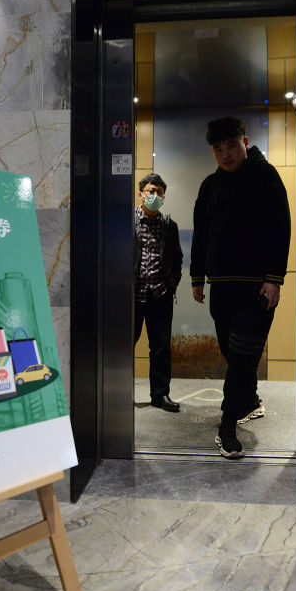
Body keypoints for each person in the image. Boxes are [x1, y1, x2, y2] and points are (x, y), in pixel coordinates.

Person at [190, 117, 290, 458]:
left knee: (243, 356)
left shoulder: (266, 176)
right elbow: (201, 233)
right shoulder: (210, 185)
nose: (225, 154)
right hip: (221, 285)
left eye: (231, 146)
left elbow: (281, 228)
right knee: (233, 354)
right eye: (218, 149)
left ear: (245, 142)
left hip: (256, 287)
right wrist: (197, 276)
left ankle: (227, 425)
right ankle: (250, 401)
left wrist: (274, 278)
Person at [135, 173, 183, 412]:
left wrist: (172, 284)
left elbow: (177, 259)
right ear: (141, 194)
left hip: (160, 295)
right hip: (131, 296)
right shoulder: (127, 222)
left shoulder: (169, 226)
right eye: (151, 191)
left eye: (159, 192)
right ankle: (117, 393)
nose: (155, 196)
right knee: (122, 345)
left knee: (161, 347)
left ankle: (160, 395)